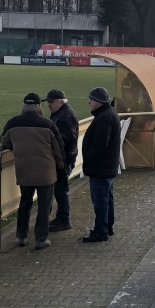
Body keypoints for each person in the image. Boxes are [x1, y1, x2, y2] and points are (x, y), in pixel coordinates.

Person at [0, 93, 65, 250]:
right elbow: (58, 149)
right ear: (39, 106)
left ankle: (21, 237)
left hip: (24, 171)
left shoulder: (12, 123)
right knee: (44, 206)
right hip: (46, 173)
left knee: (25, 204)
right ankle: (40, 239)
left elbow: (4, 141)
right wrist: (61, 168)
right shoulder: (48, 124)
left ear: (24, 105)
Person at [82, 87, 121, 242]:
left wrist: (89, 159)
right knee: (106, 199)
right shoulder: (109, 113)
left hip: (101, 168)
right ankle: (106, 227)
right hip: (107, 167)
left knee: (100, 201)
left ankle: (101, 231)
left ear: (98, 101)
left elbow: (100, 145)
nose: (89, 102)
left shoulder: (104, 117)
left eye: (91, 99)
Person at [44, 89, 78, 232]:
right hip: (64, 158)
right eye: (48, 102)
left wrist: (48, 142)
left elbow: (68, 139)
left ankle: (64, 220)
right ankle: (61, 217)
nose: (49, 105)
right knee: (60, 190)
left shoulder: (64, 116)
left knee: (61, 190)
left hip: (64, 159)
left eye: (51, 102)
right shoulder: (62, 113)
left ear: (60, 101)